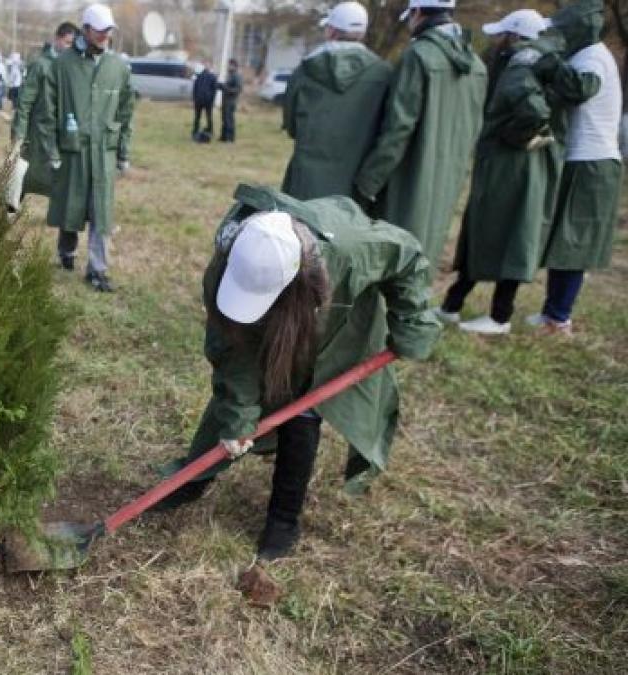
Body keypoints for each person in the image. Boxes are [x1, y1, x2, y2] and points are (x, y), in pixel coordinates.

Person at [153, 185, 440, 560]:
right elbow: (233, 354)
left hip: (336, 320)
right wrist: (238, 421)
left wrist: (413, 321)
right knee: (232, 410)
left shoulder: (353, 248)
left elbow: (408, 257)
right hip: (282, 316)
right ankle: (192, 480)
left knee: (303, 412)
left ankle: (283, 519)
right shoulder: (231, 258)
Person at [437, 9, 552, 335]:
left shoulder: (520, 66)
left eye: (501, 33)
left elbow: (534, 111)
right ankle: (451, 305)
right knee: (484, 229)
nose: (495, 38)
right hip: (503, 164)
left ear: (514, 36)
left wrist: (516, 138)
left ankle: (499, 316)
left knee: (508, 233)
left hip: (512, 167)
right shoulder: (521, 63)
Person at [353, 0, 486, 267]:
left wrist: (367, 182)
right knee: (424, 257)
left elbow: (398, 128)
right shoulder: (477, 65)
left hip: (408, 179)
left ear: (417, 13)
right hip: (448, 179)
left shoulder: (418, 56)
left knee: (390, 257)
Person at [527, 0, 622, 335]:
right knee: (565, 241)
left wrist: (549, 60)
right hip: (581, 159)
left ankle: (559, 318)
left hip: (591, 162)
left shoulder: (593, 57)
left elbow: (582, 89)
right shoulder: (586, 55)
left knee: (575, 242)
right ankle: (553, 313)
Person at [41, 3, 135, 292]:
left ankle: (97, 269)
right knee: (72, 205)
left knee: (101, 212)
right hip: (73, 150)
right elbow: (48, 109)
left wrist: (123, 152)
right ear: (85, 30)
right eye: (99, 30)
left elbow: (125, 111)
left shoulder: (117, 66)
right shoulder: (63, 64)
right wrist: (51, 149)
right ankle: (66, 251)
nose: (105, 35)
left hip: (103, 153)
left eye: (109, 30)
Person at [281, 2, 391, 200]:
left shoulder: (305, 70)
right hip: (356, 185)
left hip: (306, 183)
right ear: (363, 33)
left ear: (331, 31)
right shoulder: (384, 74)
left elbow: (291, 126)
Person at [12, 22, 79, 200]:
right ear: (57, 39)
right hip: (38, 133)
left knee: (62, 177)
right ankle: (7, 211)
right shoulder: (41, 65)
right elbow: (24, 102)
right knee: (23, 175)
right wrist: (19, 135)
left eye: (73, 44)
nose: (70, 47)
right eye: (67, 42)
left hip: (61, 133)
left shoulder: (71, 66)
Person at [191, 63, 217, 141]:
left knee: (197, 117)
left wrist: (194, 99)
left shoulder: (197, 76)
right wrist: (212, 100)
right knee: (209, 116)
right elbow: (214, 90)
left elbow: (194, 89)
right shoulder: (213, 76)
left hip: (198, 100)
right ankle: (210, 131)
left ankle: (195, 131)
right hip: (208, 101)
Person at [219, 59, 242, 143]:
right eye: (228, 65)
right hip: (225, 100)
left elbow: (238, 89)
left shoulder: (237, 76)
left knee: (229, 120)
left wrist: (227, 89)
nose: (228, 66)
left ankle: (230, 138)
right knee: (224, 119)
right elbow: (226, 86)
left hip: (231, 101)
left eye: (230, 65)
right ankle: (223, 137)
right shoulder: (230, 75)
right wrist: (221, 86)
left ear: (234, 66)